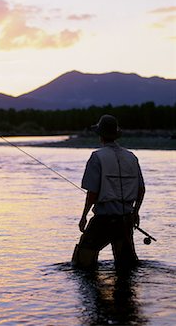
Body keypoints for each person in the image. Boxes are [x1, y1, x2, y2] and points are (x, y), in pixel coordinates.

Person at [72, 114, 145, 270]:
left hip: (103, 220)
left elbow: (92, 193)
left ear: (100, 135)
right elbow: (141, 190)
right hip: (125, 220)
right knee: (126, 267)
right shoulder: (131, 157)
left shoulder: (97, 157)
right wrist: (135, 213)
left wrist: (84, 216)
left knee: (81, 264)